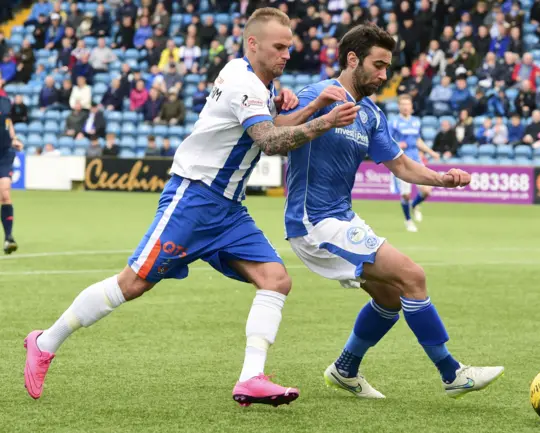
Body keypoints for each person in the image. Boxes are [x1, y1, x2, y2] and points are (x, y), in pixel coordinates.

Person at [23, 8, 358, 407]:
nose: (287, 54)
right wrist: (325, 120)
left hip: (230, 210)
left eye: (289, 46)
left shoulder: (246, 74)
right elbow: (270, 141)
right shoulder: (244, 85)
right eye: (279, 47)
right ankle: (44, 342)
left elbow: (273, 124)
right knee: (132, 284)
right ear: (253, 44)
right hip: (194, 199)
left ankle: (251, 377)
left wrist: (315, 102)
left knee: (276, 279)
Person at [277, 24, 504, 400]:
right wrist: (310, 111)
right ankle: (452, 373)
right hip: (313, 221)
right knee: (412, 276)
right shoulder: (315, 94)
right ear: (353, 60)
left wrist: (441, 179)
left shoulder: (370, 114)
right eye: (378, 65)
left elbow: (400, 165)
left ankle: (345, 369)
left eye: (387, 67)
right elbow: (277, 131)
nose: (384, 75)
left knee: (391, 298)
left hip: (341, 218)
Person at [389, 94, 439, 232]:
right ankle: (408, 220)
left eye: (408, 104)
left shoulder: (416, 121)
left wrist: (431, 152)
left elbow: (418, 141)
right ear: (399, 106)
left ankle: (415, 205)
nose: (405, 107)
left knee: (427, 190)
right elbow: (386, 141)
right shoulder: (393, 123)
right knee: (405, 194)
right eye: (403, 104)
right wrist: (398, 144)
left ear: (411, 106)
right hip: (402, 162)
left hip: (416, 160)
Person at [0, 95, 23, 254]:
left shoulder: (6, 101)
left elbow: (9, 122)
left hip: (5, 153)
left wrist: (14, 138)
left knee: (5, 193)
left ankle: (9, 237)